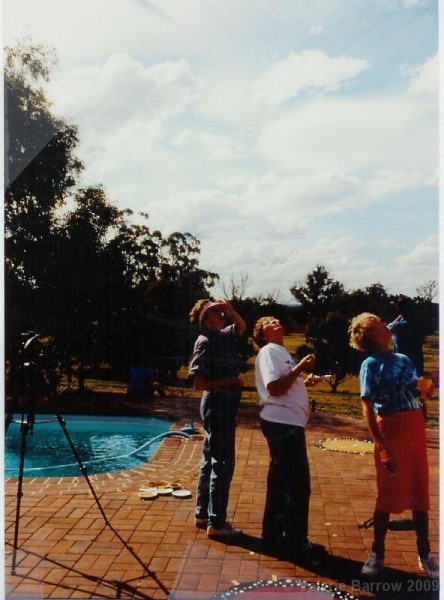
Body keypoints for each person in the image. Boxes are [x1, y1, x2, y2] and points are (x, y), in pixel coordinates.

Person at [349, 313, 438, 578]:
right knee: (388, 494)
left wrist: (428, 388)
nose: (385, 325)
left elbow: (418, 394)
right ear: (371, 336)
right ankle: (377, 554)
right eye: (378, 325)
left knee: (420, 492)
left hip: (415, 427)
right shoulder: (370, 364)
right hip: (391, 430)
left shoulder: (404, 359)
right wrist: (382, 446)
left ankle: (425, 555)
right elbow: (367, 407)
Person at [253, 316, 324, 560]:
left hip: (286, 423)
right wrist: (300, 368)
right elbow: (274, 388)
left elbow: (284, 384)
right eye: (268, 323)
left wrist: (303, 382)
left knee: (283, 481)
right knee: (297, 485)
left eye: (276, 319)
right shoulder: (270, 351)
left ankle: (275, 536)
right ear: (262, 335)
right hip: (283, 424)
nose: (275, 322)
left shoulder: (280, 352)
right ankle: (293, 541)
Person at [188, 299, 246, 539]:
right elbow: (198, 383)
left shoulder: (224, 335)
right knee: (222, 463)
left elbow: (242, 327)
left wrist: (231, 310)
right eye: (215, 312)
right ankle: (218, 523)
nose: (221, 314)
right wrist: (229, 382)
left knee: (210, 460)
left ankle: (203, 514)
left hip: (224, 405)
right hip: (217, 405)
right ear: (205, 319)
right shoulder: (205, 341)